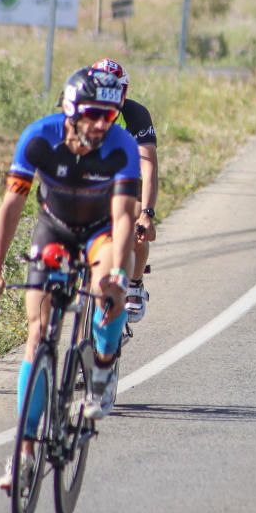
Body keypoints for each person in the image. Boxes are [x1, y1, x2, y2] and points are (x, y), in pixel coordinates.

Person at [0, 67, 140, 490]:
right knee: (37, 335)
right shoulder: (39, 137)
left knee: (108, 285)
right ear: (70, 111)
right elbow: (11, 204)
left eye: (109, 115)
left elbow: (124, 217)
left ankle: (103, 366)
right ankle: (25, 454)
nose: (102, 124)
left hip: (100, 231)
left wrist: (120, 273)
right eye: (93, 114)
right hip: (55, 228)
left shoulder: (122, 146)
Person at [90, 58, 158, 324]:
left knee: (137, 227)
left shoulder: (136, 114)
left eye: (116, 91)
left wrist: (147, 213)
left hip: (125, 178)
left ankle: (135, 284)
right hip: (91, 178)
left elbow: (149, 165)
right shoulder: (82, 112)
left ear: (125, 92)